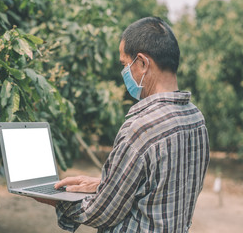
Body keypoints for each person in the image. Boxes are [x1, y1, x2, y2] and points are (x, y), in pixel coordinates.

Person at [34, 16, 210, 233]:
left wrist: (55, 199)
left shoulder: (141, 128)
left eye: (125, 65)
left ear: (143, 63)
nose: (124, 73)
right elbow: (160, 187)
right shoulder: (196, 119)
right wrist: (102, 184)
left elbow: (101, 212)